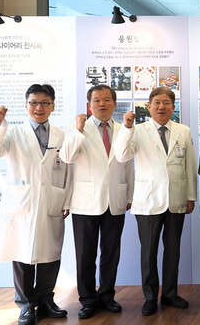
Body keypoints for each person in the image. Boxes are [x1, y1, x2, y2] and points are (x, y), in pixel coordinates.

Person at [0, 84, 73, 325]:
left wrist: (66, 199)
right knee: (22, 254)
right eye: (33, 102)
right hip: (22, 202)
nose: (39, 107)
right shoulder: (12, 133)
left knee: (50, 254)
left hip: (51, 200)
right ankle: (25, 305)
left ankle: (45, 301)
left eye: (44, 103)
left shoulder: (61, 135)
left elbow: (68, 169)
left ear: (53, 106)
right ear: (26, 106)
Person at [114, 87, 197, 316]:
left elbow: (190, 165)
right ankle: (150, 296)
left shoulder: (183, 130)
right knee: (148, 252)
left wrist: (191, 196)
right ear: (149, 106)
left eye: (167, 103)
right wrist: (127, 128)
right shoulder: (136, 130)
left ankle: (170, 293)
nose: (162, 107)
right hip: (148, 201)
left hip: (176, 198)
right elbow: (122, 156)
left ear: (173, 106)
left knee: (173, 250)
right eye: (157, 103)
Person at [59, 85, 134, 319]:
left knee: (111, 252)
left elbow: (128, 165)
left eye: (107, 100)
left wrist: (129, 195)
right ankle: (88, 299)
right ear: (89, 105)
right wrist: (79, 131)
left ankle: (107, 296)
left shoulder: (125, 129)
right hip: (84, 202)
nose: (102, 104)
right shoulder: (76, 129)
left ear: (114, 103)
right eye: (97, 100)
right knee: (85, 254)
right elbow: (66, 158)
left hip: (115, 200)